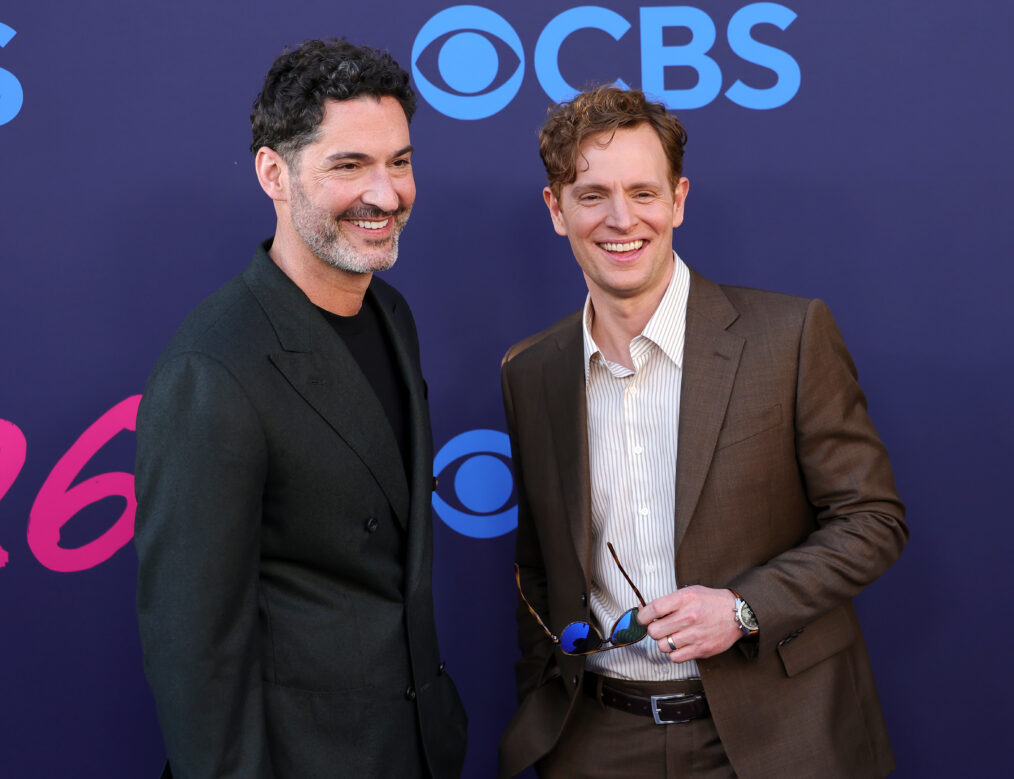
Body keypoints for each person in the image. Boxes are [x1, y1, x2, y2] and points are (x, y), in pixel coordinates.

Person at [499, 86, 906, 778]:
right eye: (592, 195)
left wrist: (744, 608)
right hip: (596, 740)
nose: (621, 218)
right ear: (556, 210)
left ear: (679, 200)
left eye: (643, 193)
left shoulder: (789, 337)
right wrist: (545, 689)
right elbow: (536, 565)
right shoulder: (529, 370)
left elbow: (872, 520)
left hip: (777, 735)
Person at [134, 39, 467, 778]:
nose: (386, 194)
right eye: (349, 166)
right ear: (273, 173)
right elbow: (195, 650)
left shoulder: (392, 314)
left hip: (412, 747)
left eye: (400, 162)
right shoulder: (212, 368)